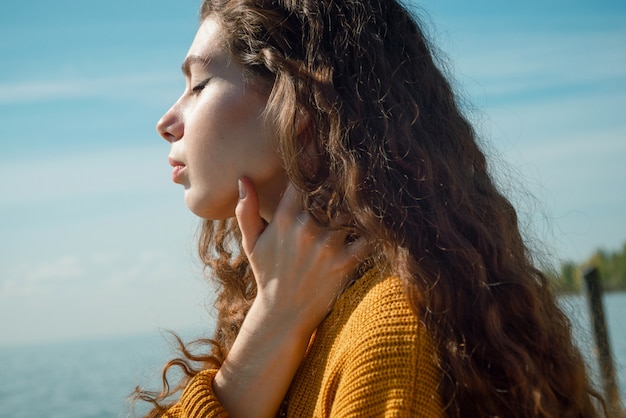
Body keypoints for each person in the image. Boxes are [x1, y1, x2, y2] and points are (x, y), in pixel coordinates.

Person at [135, 0, 606, 416]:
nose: (166, 122)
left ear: (297, 102)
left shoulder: (387, 333)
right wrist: (272, 320)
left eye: (198, 85)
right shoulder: (308, 311)